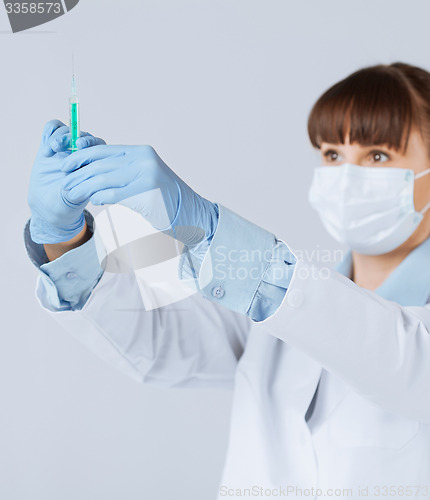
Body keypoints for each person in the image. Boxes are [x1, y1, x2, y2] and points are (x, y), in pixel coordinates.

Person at [24, 62, 430, 500]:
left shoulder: (302, 300)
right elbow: (156, 341)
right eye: (333, 155)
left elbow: (398, 357)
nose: (346, 177)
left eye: (378, 155)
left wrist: (211, 231)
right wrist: (64, 239)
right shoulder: (284, 310)